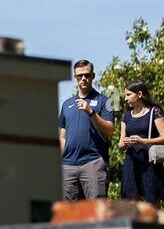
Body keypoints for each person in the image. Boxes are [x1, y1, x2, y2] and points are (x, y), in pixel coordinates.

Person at [59, 60, 115, 200]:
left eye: (87, 75)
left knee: (96, 213)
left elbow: (110, 130)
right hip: (68, 165)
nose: (83, 78)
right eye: (79, 75)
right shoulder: (66, 104)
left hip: (93, 162)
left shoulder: (106, 101)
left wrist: (91, 112)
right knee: (69, 216)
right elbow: (62, 136)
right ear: (75, 77)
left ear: (93, 76)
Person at [120, 81, 164, 205]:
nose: (125, 98)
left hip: (149, 162)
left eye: (128, 95)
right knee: (131, 203)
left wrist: (143, 141)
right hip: (131, 163)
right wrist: (125, 142)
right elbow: (120, 144)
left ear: (139, 94)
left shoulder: (155, 112)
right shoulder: (126, 116)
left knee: (152, 203)